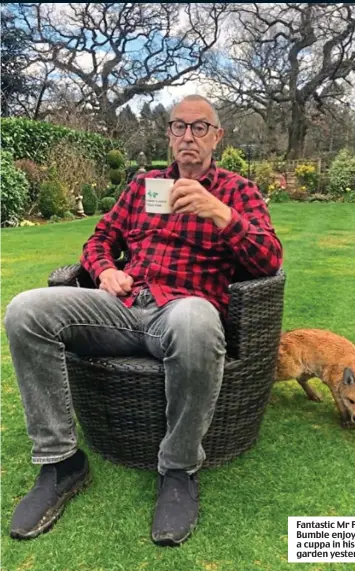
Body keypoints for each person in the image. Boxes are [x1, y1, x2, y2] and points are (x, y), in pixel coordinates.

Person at [4, 95, 283, 547]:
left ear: (217, 136)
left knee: (196, 319)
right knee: (26, 310)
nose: (187, 137)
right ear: (169, 134)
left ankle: (178, 470)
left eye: (199, 128)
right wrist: (105, 270)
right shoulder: (144, 185)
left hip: (183, 310)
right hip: (124, 306)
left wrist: (219, 213)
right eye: (178, 127)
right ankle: (61, 463)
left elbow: (269, 260)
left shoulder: (237, 190)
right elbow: (99, 239)